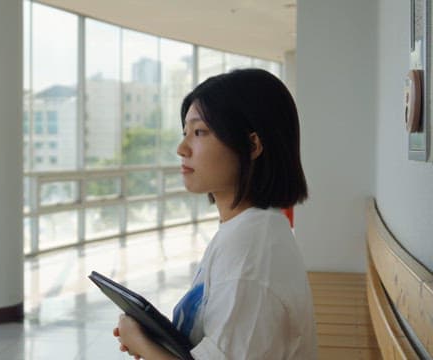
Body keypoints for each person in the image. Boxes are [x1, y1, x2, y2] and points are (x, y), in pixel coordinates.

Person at [113, 68, 317, 359]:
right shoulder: (245, 229)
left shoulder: (251, 252)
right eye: (185, 133)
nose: (182, 148)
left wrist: (143, 345)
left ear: (251, 145)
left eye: (199, 132)